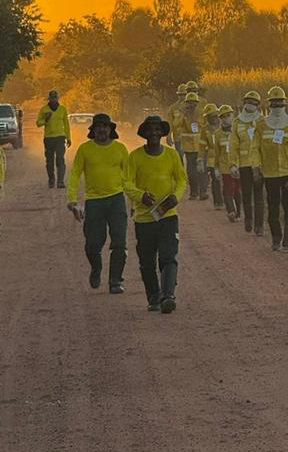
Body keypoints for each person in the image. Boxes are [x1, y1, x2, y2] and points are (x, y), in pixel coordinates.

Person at [127, 116, 187, 312]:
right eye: (150, 130)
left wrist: (176, 197)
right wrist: (140, 196)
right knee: (147, 262)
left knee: (169, 257)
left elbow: (181, 180)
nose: (153, 133)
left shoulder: (172, 155)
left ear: (162, 133)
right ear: (144, 133)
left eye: (157, 129)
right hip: (144, 218)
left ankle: (168, 296)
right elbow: (126, 183)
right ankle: (153, 297)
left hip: (168, 216)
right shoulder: (134, 157)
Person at [67, 114, 132, 294]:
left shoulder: (120, 149)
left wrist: (134, 201)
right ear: (93, 130)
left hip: (116, 199)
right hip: (94, 202)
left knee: (119, 242)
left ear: (111, 130)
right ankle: (96, 268)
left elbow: (129, 177)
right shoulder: (85, 150)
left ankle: (115, 281)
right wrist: (73, 200)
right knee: (93, 245)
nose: (102, 130)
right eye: (98, 127)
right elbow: (75, 175)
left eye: (105, 127)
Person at [253, 87, 288, 252]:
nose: (277, 106)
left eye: (280, 103)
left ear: (285, 103)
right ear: (269, 105)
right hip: (269, 173)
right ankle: (276, 239)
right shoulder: (261, 125)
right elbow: (255, 148)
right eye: (274, 103)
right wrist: (256, 167)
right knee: (273, 207)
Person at [229, 91, 264, 235]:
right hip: (243, 165)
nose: (250, 105)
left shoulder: (263, 121)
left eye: (254, 103)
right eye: (248, 102)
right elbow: (233, 145)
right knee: (247, 195)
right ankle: (248, 219)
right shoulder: (237, 122)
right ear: (244, 104)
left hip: (258, 165)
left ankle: (259, 226)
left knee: (259, 196)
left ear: (257, 105)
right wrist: (233, 164)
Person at [36, 90, 71, 189]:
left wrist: (68, 138)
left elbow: (66, 125)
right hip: (48, 138)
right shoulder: (44, 109)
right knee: (50, 161)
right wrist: (45, 119)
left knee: (60, 159)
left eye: (55, 98)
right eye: (52, 98)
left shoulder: (63, 109)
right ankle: (51, 180)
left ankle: (60, 181)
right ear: (49, 99)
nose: (54, 100)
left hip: (60, 137)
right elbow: (38, 123)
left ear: (58, 98)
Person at [177, 92, 207, 200]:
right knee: (191, 170)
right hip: (188, 146)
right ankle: (194, 193)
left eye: (193, 102)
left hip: (200, 145)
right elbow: (177, 125)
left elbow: (205, 126)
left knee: (202, 169)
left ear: (197, 103)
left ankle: (203, 192)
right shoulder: (183, 114)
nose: (191, 105)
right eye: (189, 102)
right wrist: (183, 115)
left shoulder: (201, 113)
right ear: (186, 103)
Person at [216, 105, 241, 222]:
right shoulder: (218, 134)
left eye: (228, 116)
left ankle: (238, 213)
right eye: (223, 117)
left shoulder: (239, 131)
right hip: (225, 167)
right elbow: (217, 152)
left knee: (237, 190)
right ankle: (231, 211)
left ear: (233, 116)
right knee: (228, 190)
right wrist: (216, 167)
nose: (226, 118)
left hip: (238, 165)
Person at [198, 104, 224, 209]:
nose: (212, 119)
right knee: (215, 180)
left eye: (213, 116)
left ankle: (230, 201)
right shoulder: (205, 130)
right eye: (209, 117)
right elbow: (202, 146)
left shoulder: (224, 126)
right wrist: (200, 159)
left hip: (225, 157)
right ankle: (218, 202)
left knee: (227, 181)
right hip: (212, 159)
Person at [167, 84, 187, 162]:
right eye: (180, 95)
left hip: (189, 138)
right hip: (178, 137)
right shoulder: (173, 108)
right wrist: (168, 136)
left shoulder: (191, 107)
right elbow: (170, 123)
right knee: (179, 157)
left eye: (184, 94)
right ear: (178, 95)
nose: (182, 97)